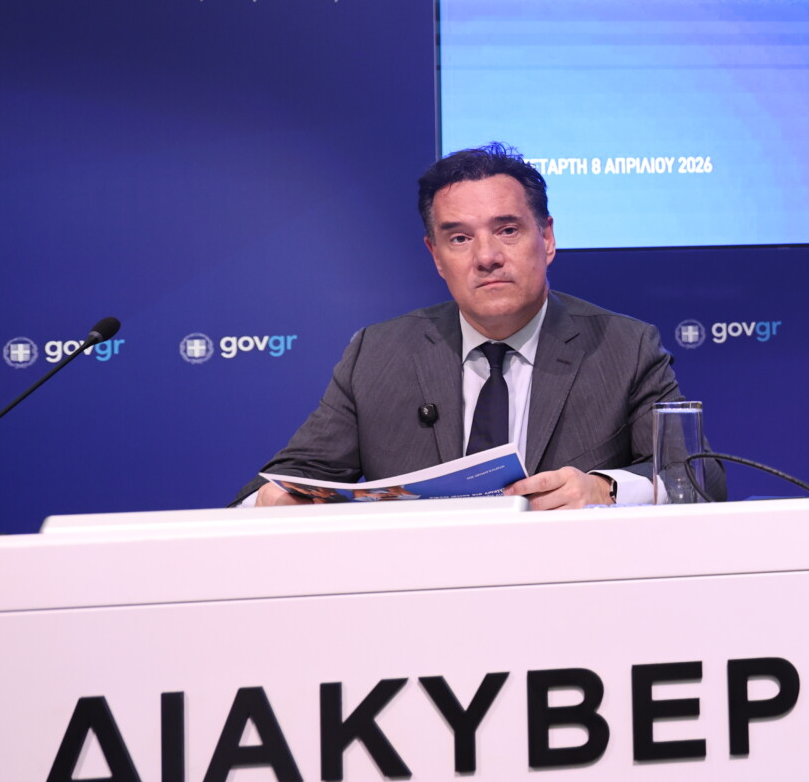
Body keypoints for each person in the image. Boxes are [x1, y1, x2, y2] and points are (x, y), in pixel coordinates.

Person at [237, 143, 723, 508]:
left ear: (546, 238)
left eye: (507, 230)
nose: (487, 257)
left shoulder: (623, 347)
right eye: (460, 239)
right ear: (435, 256)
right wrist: (272, 503)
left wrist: (605, 489)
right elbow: (277, 484)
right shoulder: (378, 355)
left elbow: (699, 480)